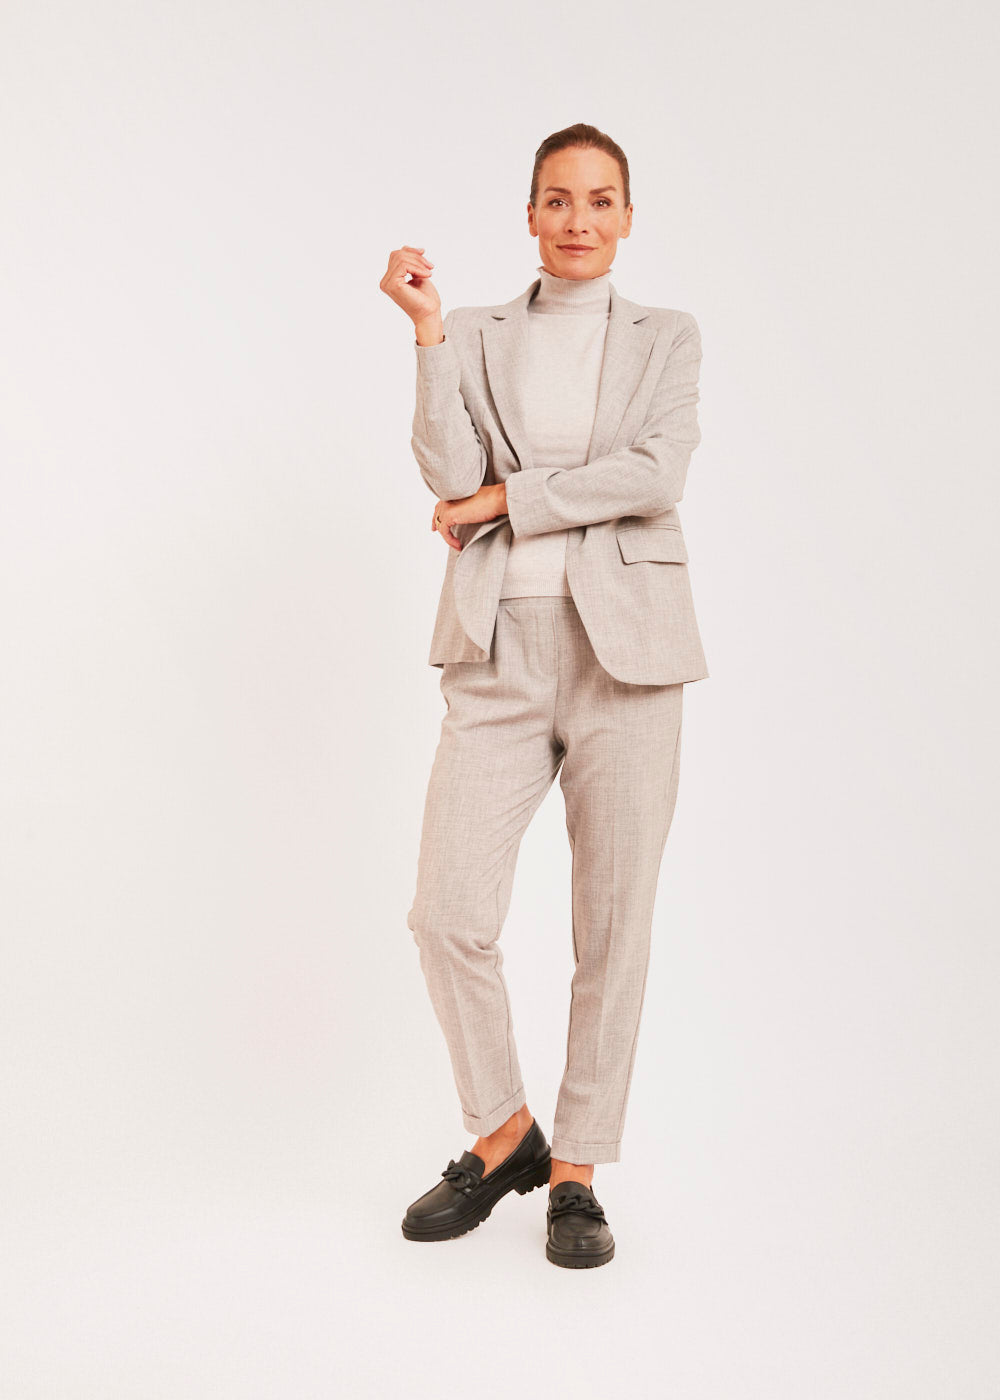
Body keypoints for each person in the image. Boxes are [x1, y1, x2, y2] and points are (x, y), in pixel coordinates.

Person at [379, 122, 708, 1269]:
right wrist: (426, 331)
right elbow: (445, 472)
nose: (577, 220)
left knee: (611, 928)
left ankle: (577, 1172)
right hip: (497, 650)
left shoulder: (668, 337)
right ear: (528, 214)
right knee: (444, 912)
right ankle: (505, 1128)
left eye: (600, 200)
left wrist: (508, 499)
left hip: (630, 655)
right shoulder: (473, 332)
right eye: (557, 199)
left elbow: (654, 474)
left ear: (627, 217)